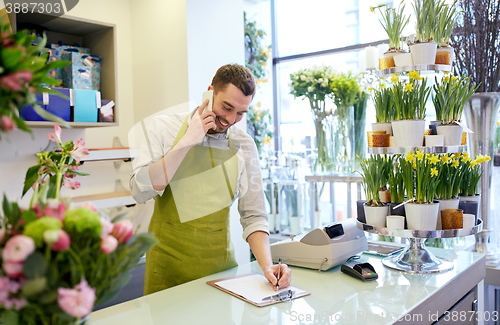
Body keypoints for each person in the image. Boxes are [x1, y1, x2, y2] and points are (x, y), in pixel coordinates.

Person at [130, 63, 291, 295]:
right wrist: (187, 141)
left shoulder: (244, 145)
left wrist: (268, 267)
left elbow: (253, 216)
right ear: (210, 92)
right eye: (227, 107)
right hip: (167, 275)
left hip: (221, 276)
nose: (230, 119)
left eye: (240, 113)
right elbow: (140, 191)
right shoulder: (164, 129)